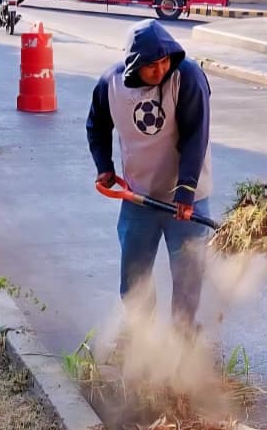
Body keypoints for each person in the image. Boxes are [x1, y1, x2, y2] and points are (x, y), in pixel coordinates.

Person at [86, 19, 213, 330]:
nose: (160, 70)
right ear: (133, 65)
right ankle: (140, 341)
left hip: (187, 200)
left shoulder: (188, 78)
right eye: (151, 65)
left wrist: (185, 193)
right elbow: (97, 125)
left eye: (164, 61)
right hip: (138, 197)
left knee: (187, 279)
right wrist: (104, 166)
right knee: (134, 276)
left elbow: (196, 136)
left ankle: (182, 345)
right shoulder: (110, 84)